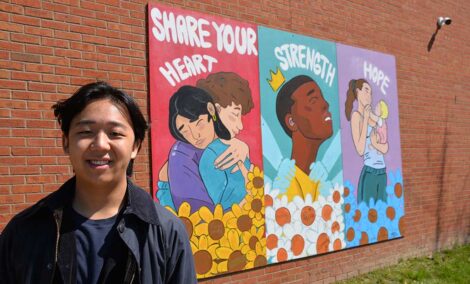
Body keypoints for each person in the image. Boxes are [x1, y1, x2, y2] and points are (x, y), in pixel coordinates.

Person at [0, 82, 197, 283]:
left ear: (135, 146)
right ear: (66, 142)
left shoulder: (166, 233)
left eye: (115, 134)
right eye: (86, 132)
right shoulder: (23, 231)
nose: (101, 144)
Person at [276, 75, 333, 201]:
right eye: (313, 100)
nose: (325, 104)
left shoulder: (317, 182)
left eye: (322, 98)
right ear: (291, 122)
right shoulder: (286, 189)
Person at [345, 79, 388, 204]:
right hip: (369, 173)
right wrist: (365, 119)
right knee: (368, 215)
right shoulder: (356, 117)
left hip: (382, 173)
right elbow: (360, 149)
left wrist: (376, 144)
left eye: (371, 92)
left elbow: (385, 147)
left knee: (382, 215)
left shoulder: (375, 120)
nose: (369, 95)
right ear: (358, 92)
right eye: (366, 90)